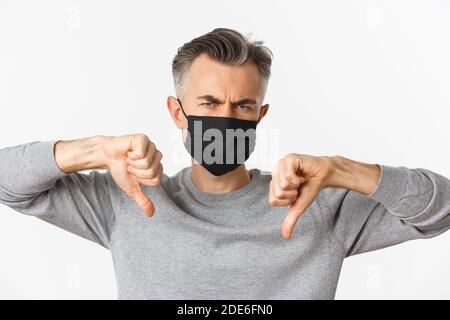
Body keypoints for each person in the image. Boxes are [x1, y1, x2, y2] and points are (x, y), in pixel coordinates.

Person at [1, 28, 449, 299]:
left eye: (243, 106)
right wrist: (94, 150)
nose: (225, 119)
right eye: (209, 103)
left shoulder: (315, 203)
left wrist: (344, 171)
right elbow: (8, 183)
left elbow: (441, 211)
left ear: (261, 115)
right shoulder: (128, 198)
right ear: (178, 112)